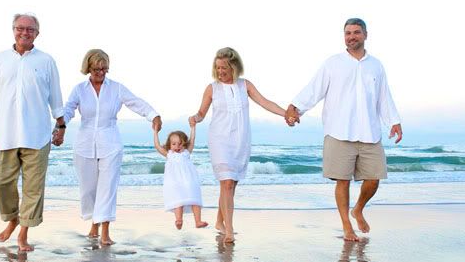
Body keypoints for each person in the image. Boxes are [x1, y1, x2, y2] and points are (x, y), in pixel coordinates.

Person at [286, 18, 402, 242]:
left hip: (369, 131)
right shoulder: (333, 63)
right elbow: (314, 89)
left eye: (356, 32)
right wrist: (295, 109)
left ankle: (358, 209)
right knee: (343, 181)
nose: (351, 37)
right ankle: (347, 226)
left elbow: (383, 97)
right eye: (347, 33)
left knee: (374, 179)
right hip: (339, 130)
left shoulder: (376, 65)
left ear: (365, 35)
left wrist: (394, 121)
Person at [0, 13, 65, 252]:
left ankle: (23, 234)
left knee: (33, 189)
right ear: (13, 30)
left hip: (37, 135)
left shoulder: (46, 61)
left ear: (37, 33)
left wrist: (61, 126)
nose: (24, 32)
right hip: (5, 134)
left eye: (30, 29)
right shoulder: (0, 60)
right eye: (20, 28)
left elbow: (56, 97)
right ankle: (13, 218)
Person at [62, 49, 161, 246]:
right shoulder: (79, 89)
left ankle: (105, 230)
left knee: (107, 188)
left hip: (111, 142)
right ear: (88, 68)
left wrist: (153, 115)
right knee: (88, 189)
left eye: (104, 69)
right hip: (84, 143)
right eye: (96, 69)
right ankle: (94, 223)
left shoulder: (116, 88)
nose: (101, 73)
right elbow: (68, 109)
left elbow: (135, 102)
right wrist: (60, 127)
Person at [192, 47, 287, 243]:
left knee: (231, 184)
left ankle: (220, 221)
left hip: (240, 139)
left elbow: (265, 102)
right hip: (219, 139)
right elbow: (201, 112)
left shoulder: (245, 85)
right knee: (226, 182)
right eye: (217, 68)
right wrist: (196, 117)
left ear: (234, 66)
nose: (220, 72)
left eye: (224, 68)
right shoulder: (212, 88)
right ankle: (229, 229)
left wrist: (286, 113)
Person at [153, 119, 208, 230]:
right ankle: (179, 220)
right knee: (178, 200)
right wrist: (155, 132)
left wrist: (193, 127)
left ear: (185, 144)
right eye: (174, 144)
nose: (177, 146)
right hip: (175, 182)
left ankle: (198, 221)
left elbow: (192, 140)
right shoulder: (169, 154)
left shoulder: (186, 152)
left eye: (180, 144)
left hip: (189, 180)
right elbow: (157, 146)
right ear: (169, 145)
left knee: (195, 199)